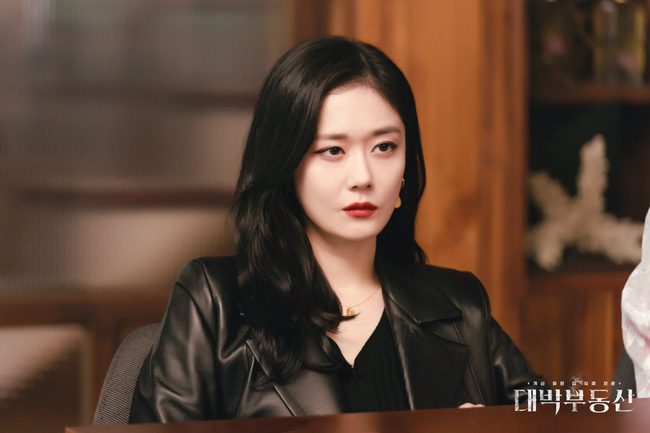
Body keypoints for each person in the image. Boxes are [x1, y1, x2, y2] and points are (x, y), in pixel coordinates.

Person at [129, 36, 542, 423]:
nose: (363, 176)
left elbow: (555, 416)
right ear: (286, 164)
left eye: (384, 147)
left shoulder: (459, 306)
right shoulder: (214, 303)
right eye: (332, 150)